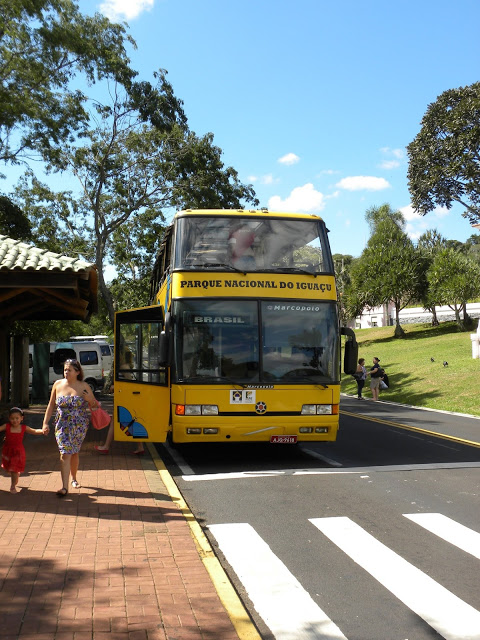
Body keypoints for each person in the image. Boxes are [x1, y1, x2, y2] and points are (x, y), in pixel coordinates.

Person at [42, 358, 99, 496]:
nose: (66, 372)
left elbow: (95, 405)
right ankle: (64, 487)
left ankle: (74, 478)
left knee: (74, 452)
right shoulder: (57, 384)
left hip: (79, 426)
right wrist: (45, 423)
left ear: (77, 372)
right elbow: (51, 405)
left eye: (69, 370)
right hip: (62, 425)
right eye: (65, 370)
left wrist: (89, 400)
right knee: (65, 453)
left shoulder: (84, 386)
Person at [1, 407, 45, 493]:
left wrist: (43, 431)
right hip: (8, 451)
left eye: (17, 418)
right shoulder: (7, 426)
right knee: (9, 469)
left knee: (13, 469)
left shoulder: (23, 427)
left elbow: (34, 431)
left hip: (18, 452)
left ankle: (12, 486)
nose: (15, 420)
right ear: (9, 418)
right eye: (12, 418)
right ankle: (15, 476)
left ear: (21, 418)